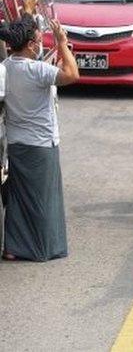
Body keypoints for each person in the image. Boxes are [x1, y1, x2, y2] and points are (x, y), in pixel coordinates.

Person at [1, 17, 79, 261]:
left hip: (16, 143)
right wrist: (62, 43)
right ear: (31, 44)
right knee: (41, 201)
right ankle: (38, 248)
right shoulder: (37, 70)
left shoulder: (6, 66)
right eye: (38, 40)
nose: (39, 44)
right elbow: (72, 74)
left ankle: (12, 247)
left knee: (18, 197)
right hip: (41, 145)